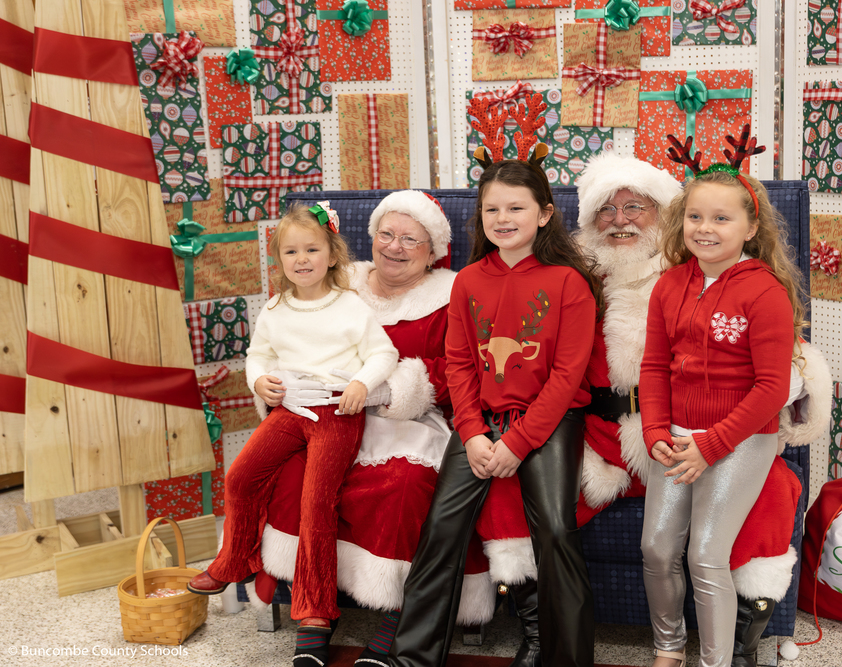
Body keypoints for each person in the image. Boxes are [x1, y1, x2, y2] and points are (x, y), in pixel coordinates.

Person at [483, 152, 828, 667]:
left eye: (635, 207)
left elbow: (776, 370)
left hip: (712, 430)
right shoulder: (568, 276)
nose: (620, 220)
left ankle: (737, 643)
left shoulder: (716, 273)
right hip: (605, 432)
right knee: (513, 488)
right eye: (607, 209)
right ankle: (537, 630)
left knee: (771, 494)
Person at [245, 192, 496, 663]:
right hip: (325, 416)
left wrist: (389, 391)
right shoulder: (338, 280)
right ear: (371, 236)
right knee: (293, 474)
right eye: (386, 234)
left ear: (433, 250)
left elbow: (462, 368)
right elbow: (283, 339)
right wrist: (274, 385)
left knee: (406, 483)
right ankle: (315, 613)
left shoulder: (452, 294)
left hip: (410, 420)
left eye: (410, 240)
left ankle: (401, 613)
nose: (395, 247)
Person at [374, 155, 604, 667]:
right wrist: (473, 434)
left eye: (515, 208)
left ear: (544, 214)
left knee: (557, 532)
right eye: (491, 209)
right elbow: (459, 365)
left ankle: (567, 659)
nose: (502, 218)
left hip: (548, 422)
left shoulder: (569, 283)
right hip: (479, 421)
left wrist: (518, 443)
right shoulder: (469, 281)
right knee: (441, 530)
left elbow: (567, 378)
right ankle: (413, 658)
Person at [185, 203, 399, 667]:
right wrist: (259, 381)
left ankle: (317, 609)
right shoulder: (276, 307)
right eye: (290, 251)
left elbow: (385, 353)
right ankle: (233, 560)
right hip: (290, 408)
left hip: (335, 411)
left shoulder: (349, 305)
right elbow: (258, 356)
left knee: (317, 500)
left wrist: (361, 384)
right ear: (278, 260)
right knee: (240, 475)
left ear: (331, 254)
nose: (302, 259)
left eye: (312, 249)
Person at [639, 135, 808, 667]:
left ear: (751, 230)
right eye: (694, 217)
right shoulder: (668, 285)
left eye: (721, 219)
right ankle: (668, 649)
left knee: (705, 555)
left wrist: (711, 445)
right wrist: (654, 431)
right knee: (657, 549)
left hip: (741, 438)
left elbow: (771, 389)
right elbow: (652, 368)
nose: (705, 229)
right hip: (676, 438)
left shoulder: (765, 293)